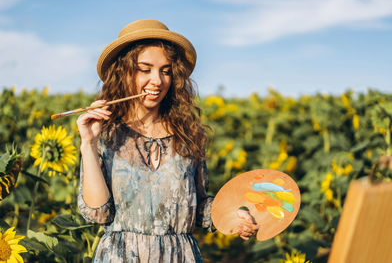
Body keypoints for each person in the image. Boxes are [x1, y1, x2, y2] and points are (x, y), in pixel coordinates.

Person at [76, 19, 259, 262]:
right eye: (145, 69)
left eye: (165, 71)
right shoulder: (106, 133)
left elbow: (201, 206)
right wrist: (88, 143)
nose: (157, 80)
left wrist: (232, 216)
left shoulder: (188, 134)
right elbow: (98, 212)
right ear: (124, 72)